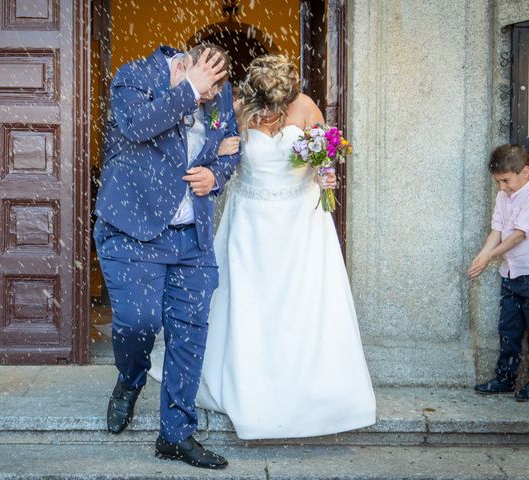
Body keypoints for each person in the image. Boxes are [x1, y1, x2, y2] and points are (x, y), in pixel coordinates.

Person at [195, 54, 377, 439]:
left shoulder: (307, 106)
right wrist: (220, 150)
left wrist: (326, 174)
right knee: (249, 299)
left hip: (302, 223)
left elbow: (328, 152)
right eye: (266, 110)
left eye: (277, 109)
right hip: (250, 223)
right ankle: (249, 384)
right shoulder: (237, 109)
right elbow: (213, 149)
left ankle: (310, 387)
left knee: (304, 300)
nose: (272, 117)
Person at [93, 44, 240, 469]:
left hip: (190, 236)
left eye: (215, 93)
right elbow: (137, 125)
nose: (212, 100)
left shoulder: (216, 92)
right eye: (206, 88)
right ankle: (131, 378)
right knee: (138, 322)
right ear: (183, 66)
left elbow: (230, 147)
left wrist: (216, 176)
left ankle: (175, 434)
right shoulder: (134, 75)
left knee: (189, 336)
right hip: (131, 229)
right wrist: (190, 91)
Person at [469, 144, 529, 402]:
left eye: (506, 180)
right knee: (509, 328)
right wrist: (483, 255)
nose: (502, 187)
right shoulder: (503, 197)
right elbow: (497, 230)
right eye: (498, 182)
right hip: (510, 273)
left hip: (527, 273)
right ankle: (505, 378)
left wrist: (491, 256)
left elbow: (518, 235)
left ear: (525, 172)